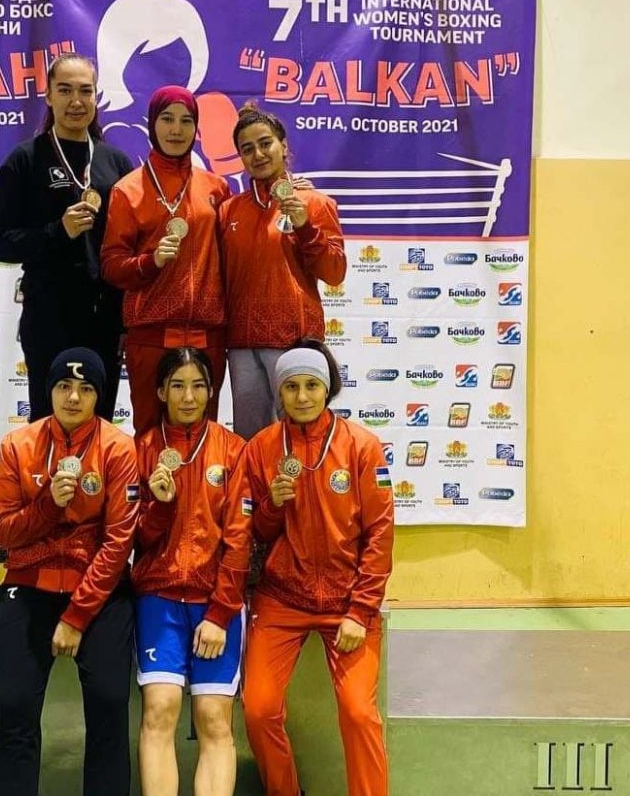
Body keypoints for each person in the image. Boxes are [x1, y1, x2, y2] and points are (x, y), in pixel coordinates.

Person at [241, 342, 394, 796]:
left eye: (312, 385)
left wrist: (360, 610)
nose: (302, 396)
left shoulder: (361, 446)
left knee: (359, 712)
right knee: (258, 709)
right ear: (279, 392)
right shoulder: (262, 448)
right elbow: (255, 531)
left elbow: (380, 532)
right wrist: (272, 505)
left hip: (347, 601)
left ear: (327, 389)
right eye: (291, 387)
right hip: (282, 599)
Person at [0, 347, 139, 796]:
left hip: (97, 592)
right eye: (64, 386)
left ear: (99, 396)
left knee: (110, 701)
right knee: (13, 705)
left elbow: (119, 542)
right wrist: (48, 505)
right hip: (29, 585)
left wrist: (76, 617)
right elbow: (2, 530)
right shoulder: (18, 445)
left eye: (86, 388)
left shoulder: (118, 447)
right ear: (49, 390)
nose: (73, 397)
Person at [132, 347, 252, 796]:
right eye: (178, 386)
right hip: (159, 598)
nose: (188, 397)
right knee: (159, 708)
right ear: (161, 391)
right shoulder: (142, 449)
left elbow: (239, 539)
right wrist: (161, 507)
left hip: (214, 601)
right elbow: (135, 539)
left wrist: (220, 614)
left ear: (211, 391)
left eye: (199, 386)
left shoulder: (233, 450)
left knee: (214, 717)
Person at [0, 53, 133, 422]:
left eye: (85, 91)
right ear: (49, 95)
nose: (76, 101)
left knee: (99, 425)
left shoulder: (116, 163)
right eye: (65, 90)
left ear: (96, 96)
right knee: (48, 422)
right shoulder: (24, 160)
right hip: (48, 316)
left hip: (104, 318)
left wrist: (125, 318)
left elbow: (130, 245)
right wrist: (58, 231)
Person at [101, 85, 231, 435]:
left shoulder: (216, 188)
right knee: (149, 434)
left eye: (186, 121)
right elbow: (111, 266)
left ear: (197, 128)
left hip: (207, 336)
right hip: (151, 336)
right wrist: (150, 261)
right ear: (152, 123)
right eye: (167, 119)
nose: (176, 129)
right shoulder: (128, 190)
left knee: (203, 434)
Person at [219, 103, 346, 440]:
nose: (258, 154)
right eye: (247, 149)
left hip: (294, 340)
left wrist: (306, 227)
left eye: (265, 143)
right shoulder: (229, 211)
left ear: (283, 145)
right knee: (251, 442)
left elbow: (334, 273)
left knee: (300, 438)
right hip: (242, 344)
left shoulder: (315, 203)